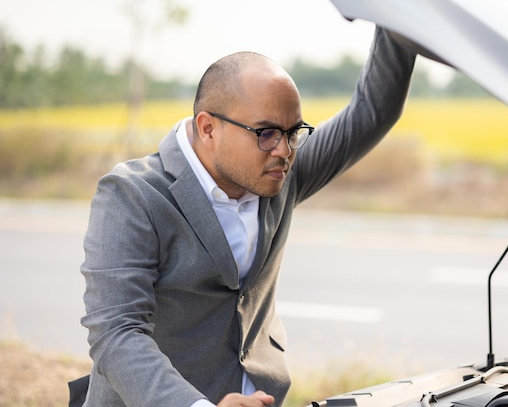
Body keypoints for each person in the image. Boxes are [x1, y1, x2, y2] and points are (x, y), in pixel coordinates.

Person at [74, 26, 419, 407]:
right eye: (267, 132)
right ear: (208, 128)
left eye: (294, 132)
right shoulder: (131, 195)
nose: (284, 150)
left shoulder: (280, 173)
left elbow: (373, 112)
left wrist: (398, 11)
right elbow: (116, 331)